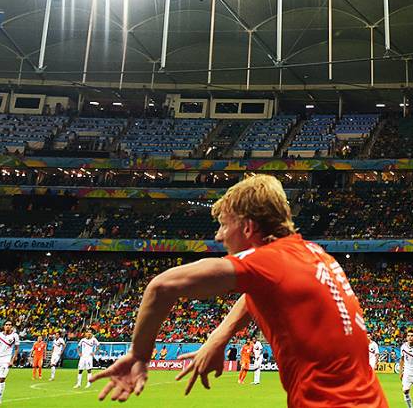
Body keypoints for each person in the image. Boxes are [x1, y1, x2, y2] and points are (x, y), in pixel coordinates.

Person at [91, 174, 387, 406]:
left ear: (247, 227)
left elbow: (161, 286)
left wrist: (139, 356)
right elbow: (255, 294)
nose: (219, 236)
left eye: (223, 225)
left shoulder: (268, 261)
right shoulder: (311, 253)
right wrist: (218, 338)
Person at [0, 320, 20, 408]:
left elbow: (17, 348)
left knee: (2, 379)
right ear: (4, 326)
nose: (8, 326)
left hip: (6, 360)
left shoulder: (14, 336)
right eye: (6, 325)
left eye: (10, 325)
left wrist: (12, 360)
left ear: (12, 327)